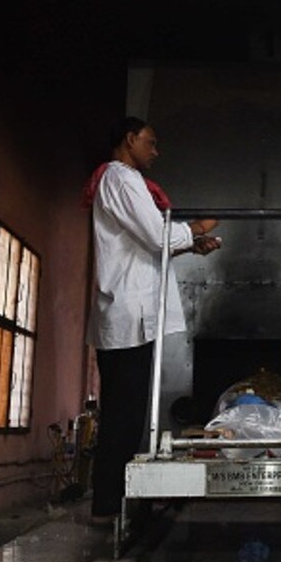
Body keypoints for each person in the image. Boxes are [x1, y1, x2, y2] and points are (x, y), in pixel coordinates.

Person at [83, 116, 221, 524]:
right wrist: (195, 227)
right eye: (151, 142)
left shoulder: (123, 182)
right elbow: (158, 237)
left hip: (132, 310)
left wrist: (191, 246)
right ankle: (109, 505)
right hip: (127, 311)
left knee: (130, 411)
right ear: (129, 139)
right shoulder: (120, 178)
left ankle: (119, 499)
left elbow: (147, 246)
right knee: (123, 414)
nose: (155, 151)